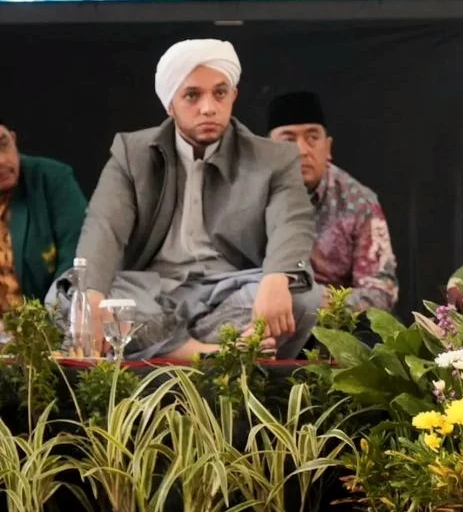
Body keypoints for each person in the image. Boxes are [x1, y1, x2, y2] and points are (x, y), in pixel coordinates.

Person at [51, 38, 320, 360]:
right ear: (170, 104)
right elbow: (104, 228)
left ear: (233, 96)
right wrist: (93, 299)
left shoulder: (273, 158)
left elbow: (292, 222)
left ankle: (161, 348)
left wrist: (277, 278)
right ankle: (209, 353)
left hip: (228, 292)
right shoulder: (131, 153)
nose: (208, 107)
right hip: (149, 292)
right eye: (192, 95)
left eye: (220, 93)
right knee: (66, 297)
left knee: (305, 298)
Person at [266, 90, 399, 313]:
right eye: (288, 140)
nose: (301, 151)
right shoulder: (249, 197)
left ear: (328, 147)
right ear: (266, 150)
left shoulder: (359, 202)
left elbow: (381, 292)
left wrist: (311, 304)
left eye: (312, 138)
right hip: (266, 318)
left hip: (337, 326)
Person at [0, 118, 86, 313]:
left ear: (13, 139)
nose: (2, 160)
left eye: (3, 144)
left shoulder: (51, 179)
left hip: (45, 330)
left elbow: (76, 260)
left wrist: (48, 326)